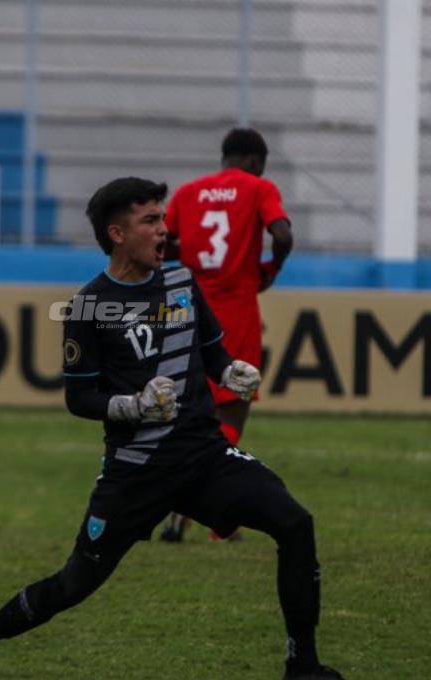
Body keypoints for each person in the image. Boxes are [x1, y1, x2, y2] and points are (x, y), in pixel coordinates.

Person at [0, 177, 343, 679]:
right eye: (151, 221)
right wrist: (133, 406)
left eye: (163, 218)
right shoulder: (89, 306)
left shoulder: (182, 283)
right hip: (137, 472)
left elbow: (212, 352)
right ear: (118, 233)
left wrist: (229, 372)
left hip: (204, 456)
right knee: (72, 585)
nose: (165, 230)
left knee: (295, 523)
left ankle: (303, 665)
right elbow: (80, 398)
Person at [159, 128, 293, 543]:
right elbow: (283, 235)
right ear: (254, 161)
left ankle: (212, 516)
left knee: (192, 413)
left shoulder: (187, 193)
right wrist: (268, 271)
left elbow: (161, 244)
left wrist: (189, 273)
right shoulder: (259, 187)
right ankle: (202, 514)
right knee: (230, 416)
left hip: (191, 312)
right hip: (236, 313)